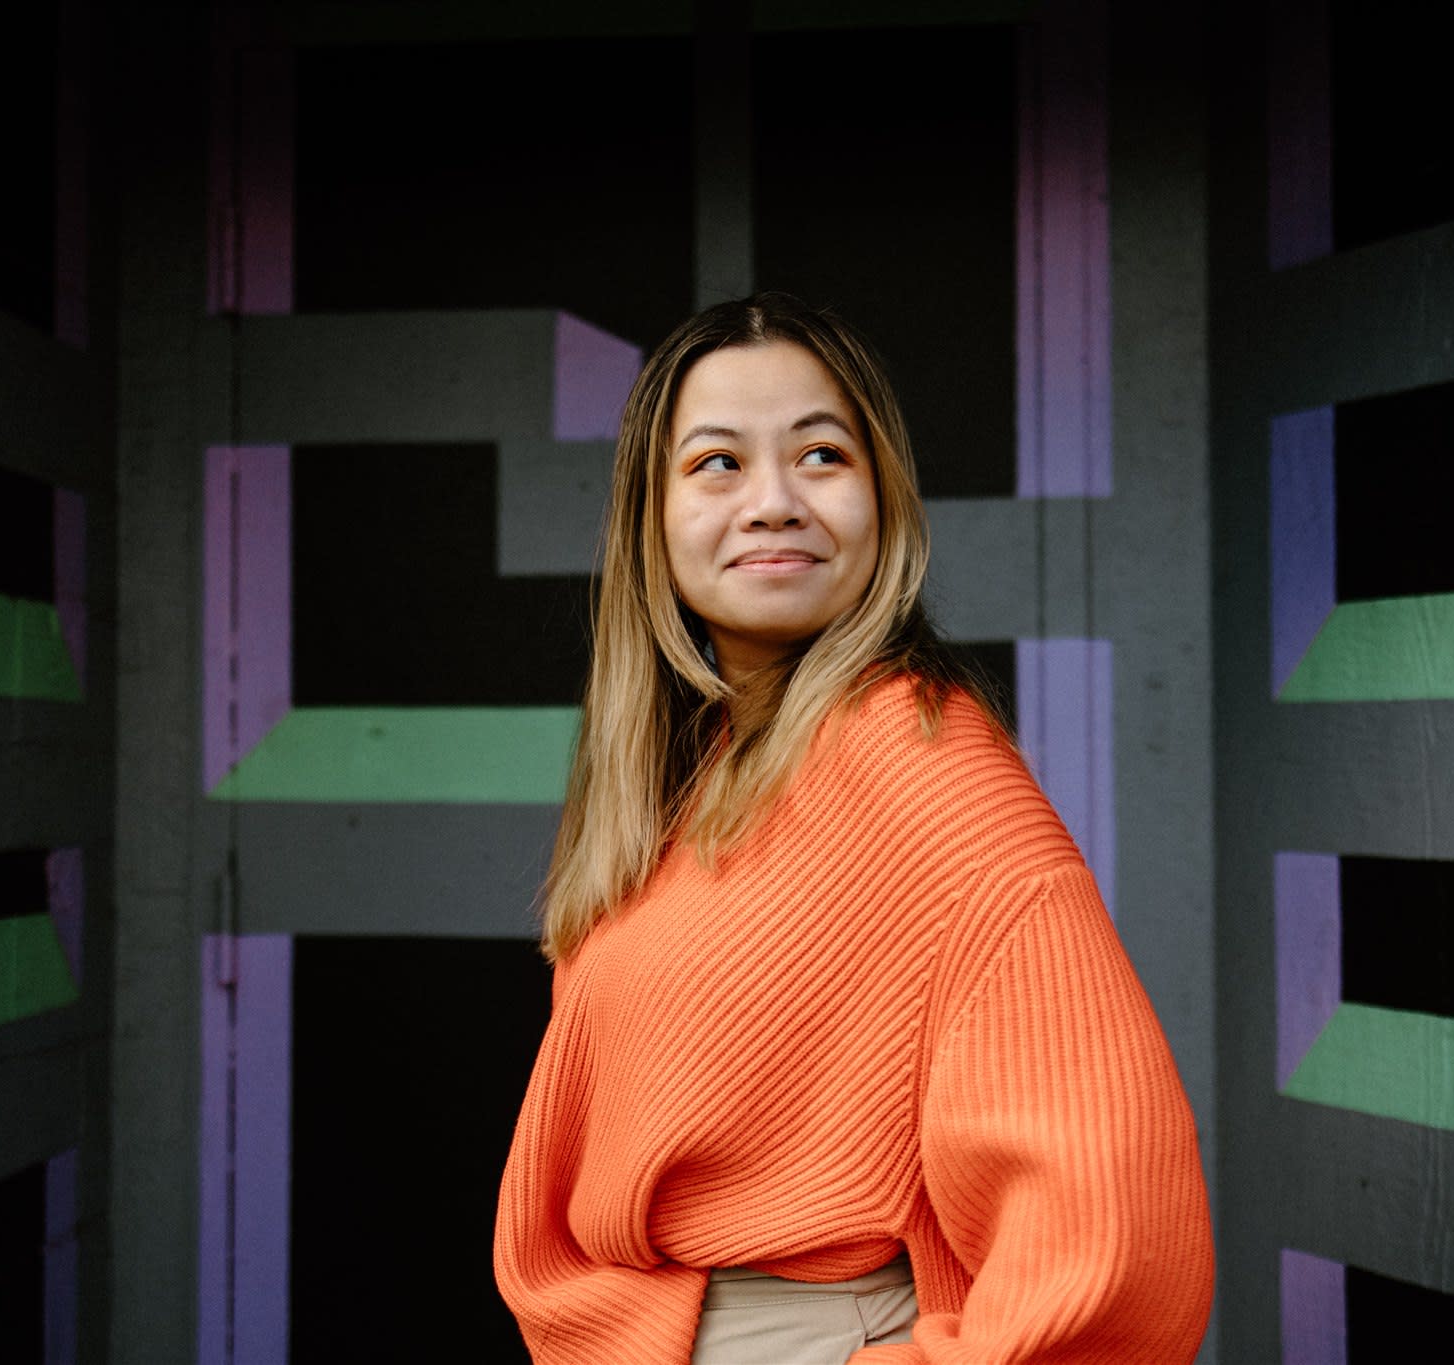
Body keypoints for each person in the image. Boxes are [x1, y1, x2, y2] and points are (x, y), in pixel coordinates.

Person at [494, 292, 1213, 1364]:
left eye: (820, 454)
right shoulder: (686, 784)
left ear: (883, 498)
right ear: (649, 517)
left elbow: (1116, 1233)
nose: (773, 501)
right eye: (716, 463)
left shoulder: (921, 761)